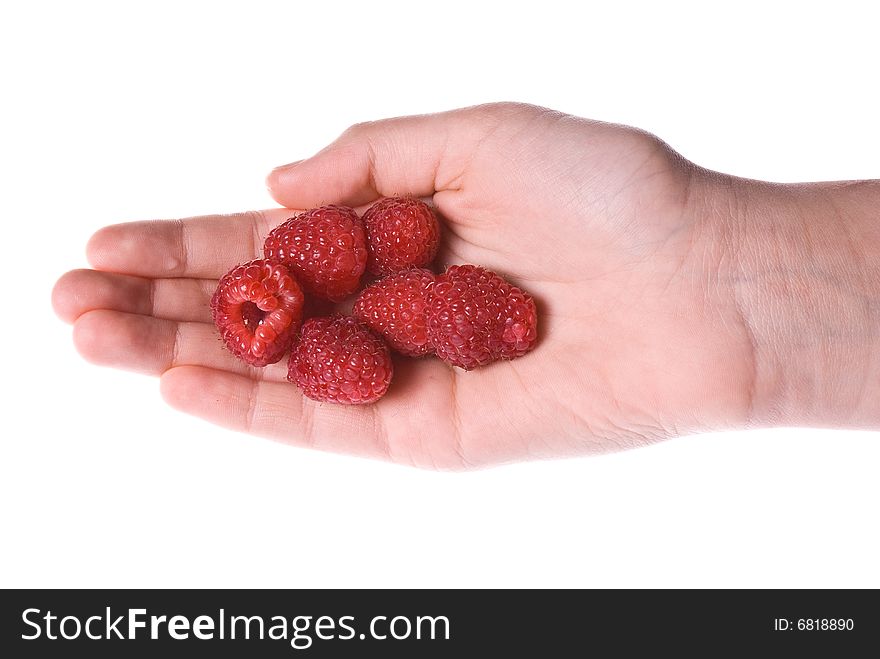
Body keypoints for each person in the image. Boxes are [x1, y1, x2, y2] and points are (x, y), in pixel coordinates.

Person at [51, 102, 880, 469]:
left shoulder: (398, 282)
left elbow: (400, 281)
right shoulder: (347, 298)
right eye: (263, 311)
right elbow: (374, 303)